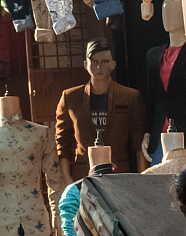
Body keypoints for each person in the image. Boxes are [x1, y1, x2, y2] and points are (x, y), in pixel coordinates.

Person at [54, 41, 148, 178]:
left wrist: (142, 177)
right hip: (83, 175)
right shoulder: (70, 97)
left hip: (119, 173)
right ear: (85, 65)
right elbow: (62, 141)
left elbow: (139, 143)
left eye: (104, 62)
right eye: (94, 61)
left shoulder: (130, 97)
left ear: (113, 64)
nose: (99, 67)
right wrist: (67, 179)